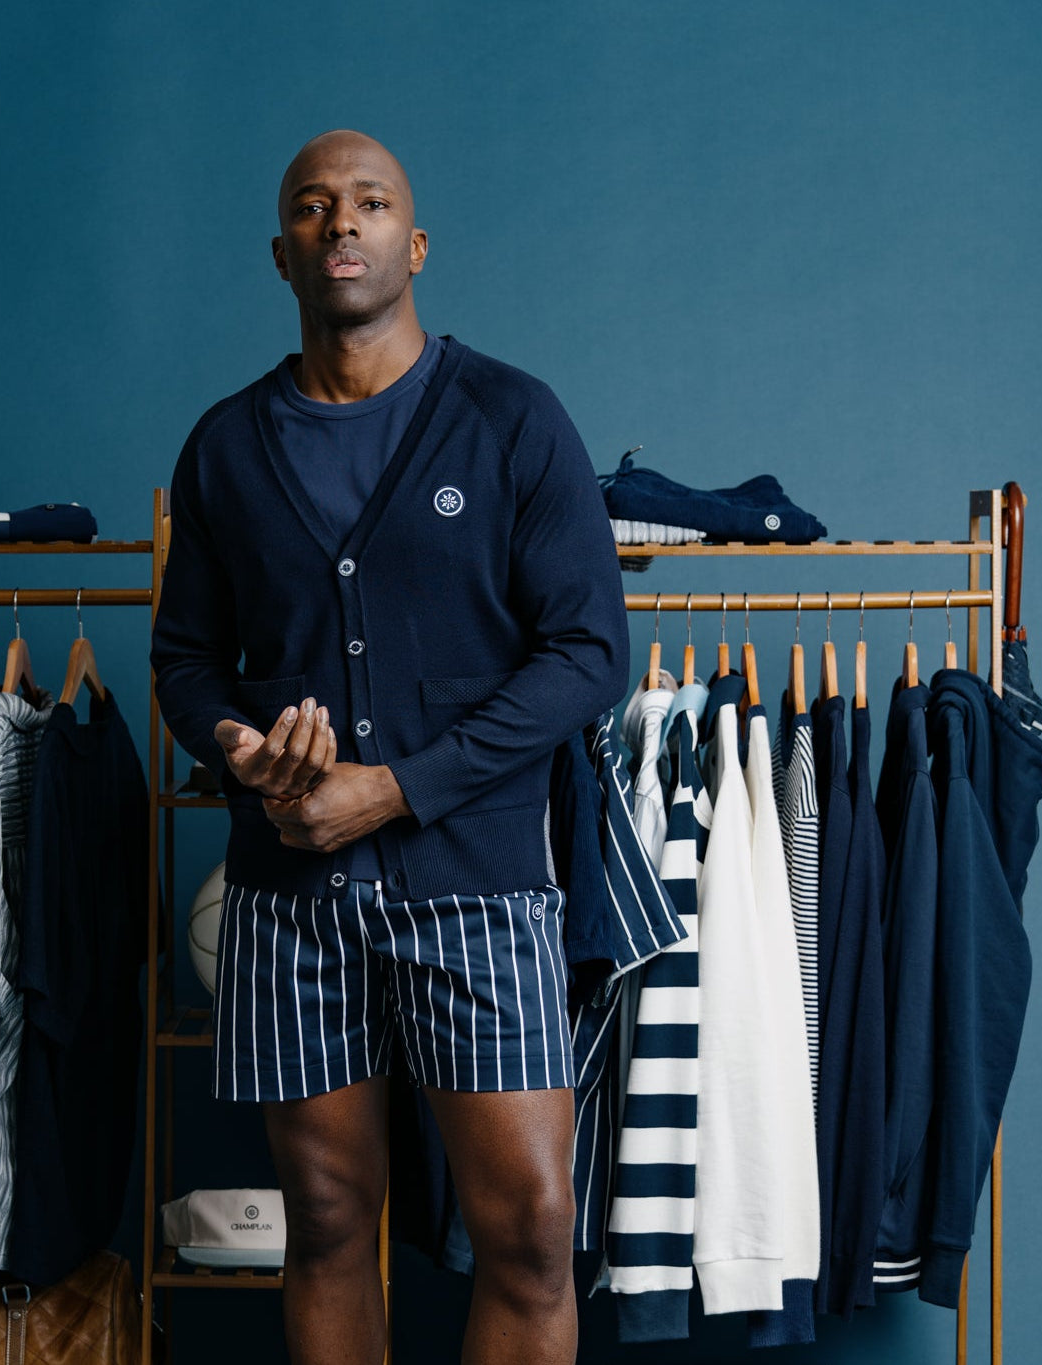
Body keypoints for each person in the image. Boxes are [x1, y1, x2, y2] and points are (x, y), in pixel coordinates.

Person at [150, 129, 629, 1365]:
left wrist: (396, 790)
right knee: (323, 1223)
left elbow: (586, 653)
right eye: (313, 207)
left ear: (413, 245)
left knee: (528, 1230)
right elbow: (184, 662)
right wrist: (237, 751)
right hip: (288, 901)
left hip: (477, 887)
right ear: (282, 253)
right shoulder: (222, 449)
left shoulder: (512, 419)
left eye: (368, 203)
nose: (340, 222)